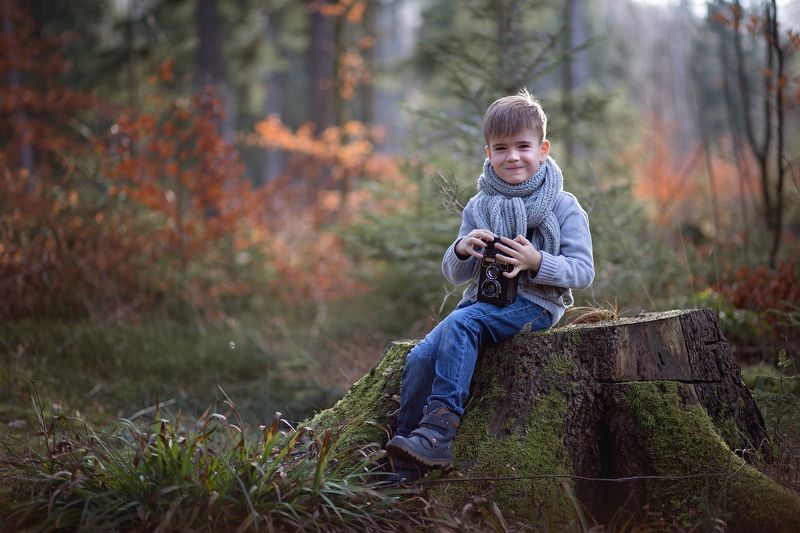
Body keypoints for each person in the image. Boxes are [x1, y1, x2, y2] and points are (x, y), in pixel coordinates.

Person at [385, 89, 595, 482]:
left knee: (463, 324)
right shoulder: (479, 206)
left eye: (523, 147)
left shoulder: (563, 205)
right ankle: (406, 461)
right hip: (483, 301)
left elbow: (583, 271)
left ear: (543, 149)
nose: (512, 157)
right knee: (419, 357)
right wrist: (462, 249)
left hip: (536, 303)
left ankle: (439, 431)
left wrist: (537, 262)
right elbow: (455, 274)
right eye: (501, 148)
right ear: (488, 153)